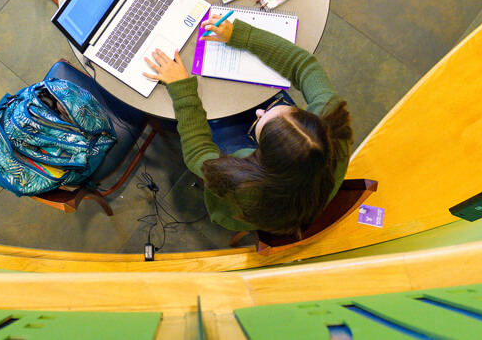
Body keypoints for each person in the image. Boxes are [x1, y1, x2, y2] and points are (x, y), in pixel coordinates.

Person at [143, 13, 354, 236]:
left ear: (261, 157)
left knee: (215, 120)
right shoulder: (332, 127)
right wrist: (244, 36)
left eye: (261, 119)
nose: (259, 112)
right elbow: (302, 64)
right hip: (302, 194)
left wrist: (182, 88)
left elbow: (197, 153)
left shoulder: (242, 186)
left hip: (255, 204)